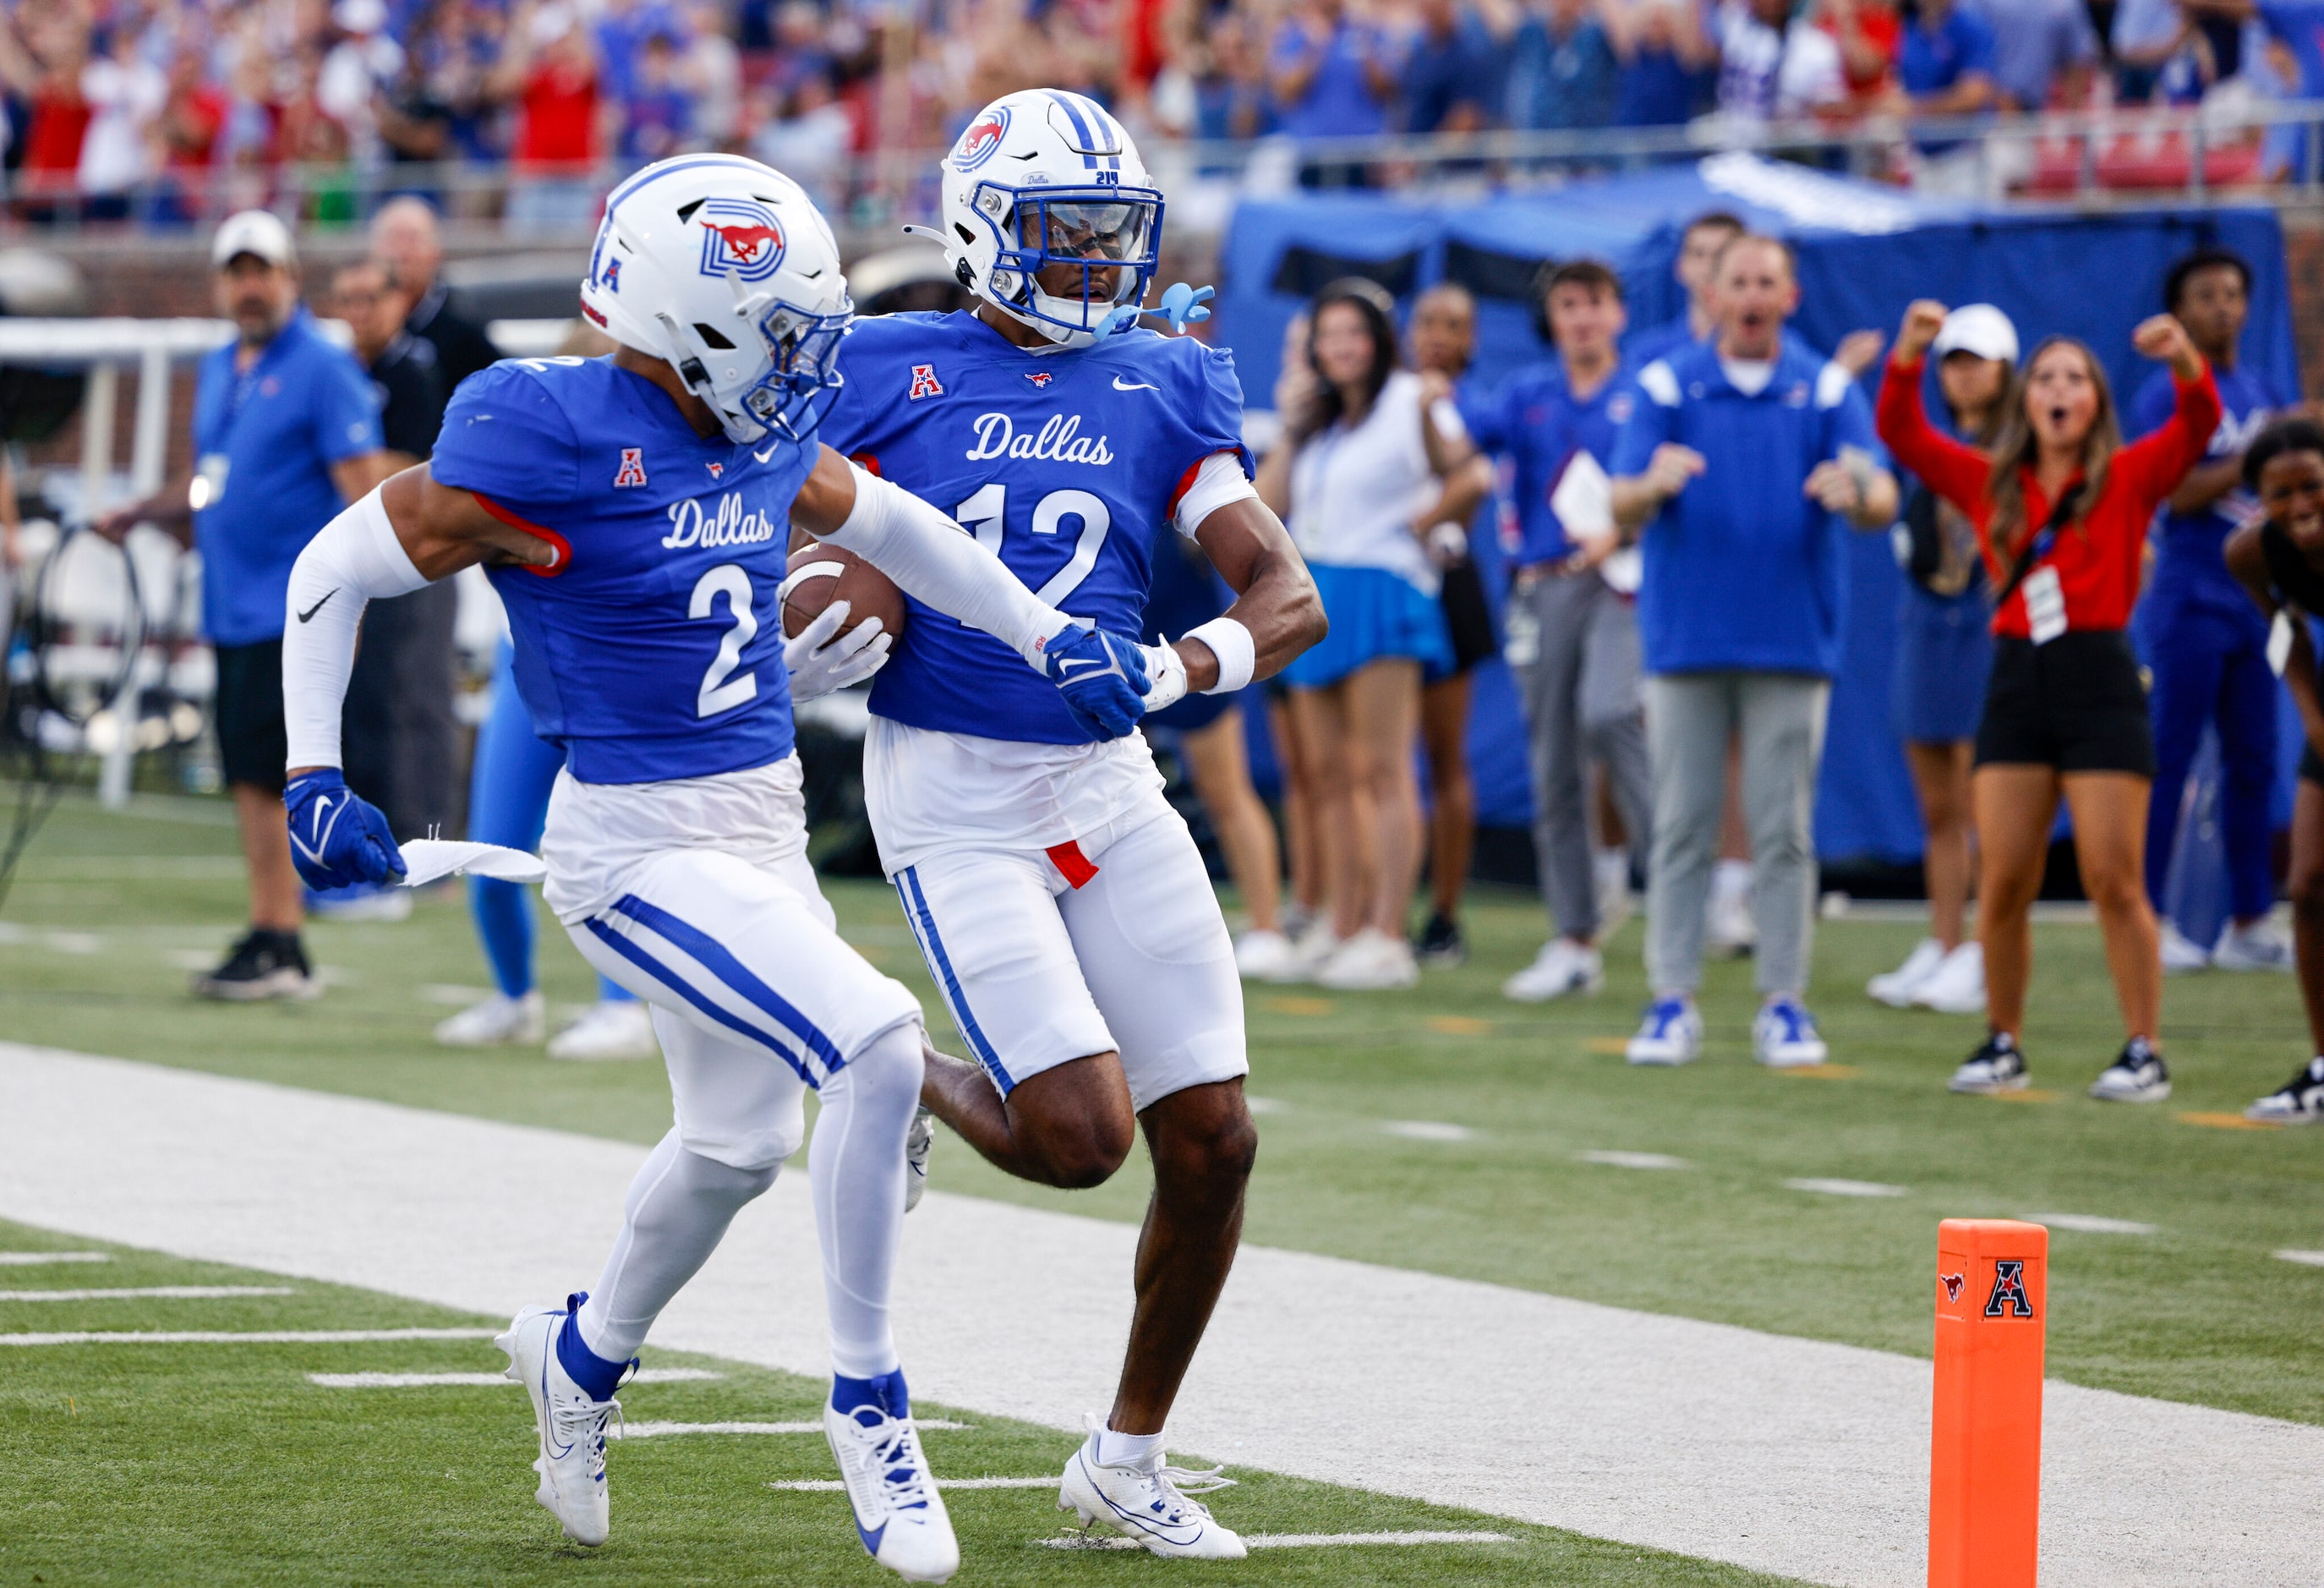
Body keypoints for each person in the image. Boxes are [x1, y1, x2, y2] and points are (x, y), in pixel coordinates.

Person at [277, 153, 1154, 1580]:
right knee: (872, 1045)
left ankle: (578, 1353)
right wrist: (317, 773)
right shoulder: (543, 429)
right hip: (634, 844)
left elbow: (895, 527)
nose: (813, 361)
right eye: (792, 333)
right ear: (693, 324)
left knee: (737, 1145)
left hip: (753, 825)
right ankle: (868, 1400)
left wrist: (1040, 631)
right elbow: (333, 567)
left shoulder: (753, 425)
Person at [819, 92, 1323, 1559]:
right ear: (981, 229)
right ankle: (885, 1055)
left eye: (1113, 231)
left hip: (1106, 782)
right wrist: (806, 601)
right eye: (1064, 231)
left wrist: (1170, 665)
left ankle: (1125, 1456)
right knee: (1078, 1136)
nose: (1098, 261)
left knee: (1215, 1137)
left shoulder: (1164, 378)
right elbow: (759, 500)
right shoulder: (875, 361)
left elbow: (1283, 594)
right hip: (953, 791)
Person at [1878, 298, 2220, 1101]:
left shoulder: (2131, 475)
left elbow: (2198, 421)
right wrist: (1906, 354)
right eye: (2044, 378)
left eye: (2074, 378)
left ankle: (2143, 1048)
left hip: (2099, 678)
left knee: (2112, 876)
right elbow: (1902, 435)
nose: (2058, 390)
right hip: (2015, 678)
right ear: (2023, 398)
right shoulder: (1988, 480)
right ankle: (2002, 1040)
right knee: (2002, 878)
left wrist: (2181, 357)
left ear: (2094, 399)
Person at [1607, 233, 1900, 1066]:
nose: (1752, 293)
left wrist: (1859, 495)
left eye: (1767, 280)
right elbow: (1619, 502)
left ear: (1789, 296)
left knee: (1782, 829)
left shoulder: (1825, 386)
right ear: (1711, 290)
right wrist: (1648, 486)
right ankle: (1671, 1000)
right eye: (1738, 279)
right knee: (1681, 827)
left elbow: (1879, 491)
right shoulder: (1666, 383)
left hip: (1790, 638)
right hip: (1685, 639)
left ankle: (1783, 1002)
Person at [98, 211, 387, 1001]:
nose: (250, 286)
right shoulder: (225, 366)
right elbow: (211, 480)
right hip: (232, 606)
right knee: (248, 780)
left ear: (291, 276)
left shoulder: (323, 370)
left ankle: (283, 938)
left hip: (292, 611)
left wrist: (353, 610)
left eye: (263, 270)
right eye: (238, 271)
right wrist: (144, 514)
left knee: (272, 778)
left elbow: (364, 497)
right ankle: (272, 931)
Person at [1260, 279, 1490, 989]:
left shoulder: (1417, 398)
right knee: (1327, 775)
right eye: (1326, 336)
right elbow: (1268, 506)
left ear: (1379, 341)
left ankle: (1389, 936)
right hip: (1318, 593)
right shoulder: (1319, 421)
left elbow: (1472, 475)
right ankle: (1343, 923)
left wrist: (1420, 528)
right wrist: (1294, 429)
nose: (1340, 348)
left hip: (1386, 590)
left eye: (1351, 334)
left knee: (1382, 770)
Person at [1472, 260, 1653, 1003]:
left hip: (1623, 582)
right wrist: (1426, 390)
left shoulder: (1644, 392)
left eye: (1594, 303)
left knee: (1611, 711)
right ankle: (1575, 936)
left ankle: (1671, 877)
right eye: (1567, 305)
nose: (1581, 317)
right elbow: (1458, 442)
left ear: (1617, 313)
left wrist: (1628, 525)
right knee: (1553, 765)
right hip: (1542, 584)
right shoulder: (1527, 393)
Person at [2135, 248, 2294, 974]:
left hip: (2257, 605)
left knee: (2254, 759)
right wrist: (2259, 453)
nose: (2223, 307)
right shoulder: (2163, 391)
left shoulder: (2261, 387)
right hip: (2190, 597)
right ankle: (2151, 916)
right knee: (2168, 756)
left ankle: (2247, 919)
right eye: (2206, 295)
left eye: (2233, 293)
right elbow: (2173, 493)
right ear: (2180, 312)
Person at [1866, 303, 2013, 1016]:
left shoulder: (2021, 444)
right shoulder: (1931, 441)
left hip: (1986, 625)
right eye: (1951, 361)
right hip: (1926, 620)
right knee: (1936, 803)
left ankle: (1987, 949)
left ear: (2003, 370)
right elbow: (1892, 431)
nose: (1962, 374)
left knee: (1980, 795)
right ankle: (1943, 940)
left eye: (1974, 360)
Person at [329, 258, 456, 911]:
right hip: (366, 558)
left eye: (368, 297)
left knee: (419, 702)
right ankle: (378, 848)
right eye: (345, 299)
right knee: (368, 701)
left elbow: (416, 469)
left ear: (397, 301)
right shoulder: (346, 371)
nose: (357, 312)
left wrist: (335, 448)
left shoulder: (414, 369)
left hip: (420, 561)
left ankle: (432, 850)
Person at [2223, 418, 2324, 1122]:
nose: (2298, 505)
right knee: (2308, 884)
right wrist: (2314, 721)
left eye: (2312, 486)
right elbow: (2285, 634)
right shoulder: (2248, 554)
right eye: (2279, 492)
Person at [1140, 535, 1293, 979]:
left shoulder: (1175, 470)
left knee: (1225, 790)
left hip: (1184, 632)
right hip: (1116, 627)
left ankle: (1268, 928)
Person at [1406, 282, 1497, 966]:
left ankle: (1444, 914)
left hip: (1445, 584)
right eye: (1431, 321)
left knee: (1443, 757)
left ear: (1472, 339)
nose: (1441, 333)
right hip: (1383, 580)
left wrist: (1425, 518)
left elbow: (1471, 486)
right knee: (1361, 764)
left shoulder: (1477, 413)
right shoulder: (1386, 399)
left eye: (1455, 323)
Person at [370, 196, 502, 392]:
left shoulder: (463, 326)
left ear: (436, 252)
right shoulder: (357, 322)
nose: (402, 253)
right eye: (393, 238)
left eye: (413, 239)